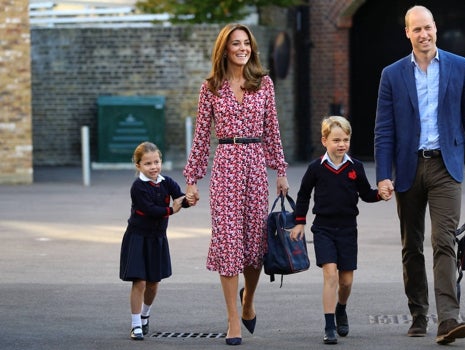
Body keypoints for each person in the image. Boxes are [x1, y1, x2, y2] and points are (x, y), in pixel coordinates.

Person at [374, 5, 465, 345]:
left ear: (435, 28)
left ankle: (448, 319)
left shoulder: (459, 66)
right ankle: (419, 313)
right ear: (407, 33)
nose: (423, 35)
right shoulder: (392, 74)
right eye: (416, 29)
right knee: (412, 247)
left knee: (444, 242)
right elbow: (384, 130)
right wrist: (383, 175)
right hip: (408, 168)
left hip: (446, 166)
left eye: (428, 28)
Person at [183, 23, 289, 346]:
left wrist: (280, 170)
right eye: (235, 44)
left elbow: (272, 130)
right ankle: (233, 320)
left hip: (256, 164)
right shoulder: (211, 87)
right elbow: (201, 137)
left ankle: (248, 301)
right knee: (229, 244)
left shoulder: (264, 84)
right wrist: (192, 180)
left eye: (246, 43)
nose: (242, 48)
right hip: (226, 164)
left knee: (255, 247)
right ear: (224, 50)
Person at [290, 116, 384, 345]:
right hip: (323, 228)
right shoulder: (315, 168)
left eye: (345, 139)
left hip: (348, 229)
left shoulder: (355, 167)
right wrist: (299, 221)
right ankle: (329, 324)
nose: (341, 144)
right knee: (330, 274)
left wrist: (380, 194)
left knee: (346, 281)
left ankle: (341, 308)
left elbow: (365, 194)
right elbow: (303, 195)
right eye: (336, 140)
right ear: (324, 141)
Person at [119, 141, 189, 341]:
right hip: (138, 237)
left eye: (156, 162)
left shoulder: (166, 182)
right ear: (138, 165)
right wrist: (171, 210)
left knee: (153, 283)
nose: (153, 167)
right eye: (148, 163)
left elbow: (180, 197)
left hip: (157, 239)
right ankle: (135, 325)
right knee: (139, 281)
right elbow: (150, 210)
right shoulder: (138, 187)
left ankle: (145, 315)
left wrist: (189, 200)